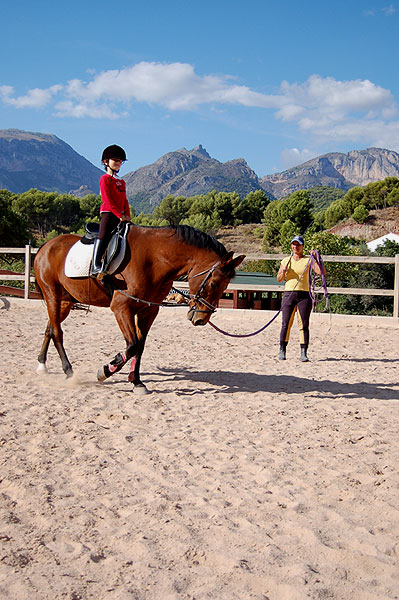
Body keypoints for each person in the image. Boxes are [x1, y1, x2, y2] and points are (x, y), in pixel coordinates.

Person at [276, 235, 326, 362]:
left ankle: (303, 352)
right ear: (291, 246)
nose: (295, 247)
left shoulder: (309, 260)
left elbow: (321, 272)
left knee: (303, 324)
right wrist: (284, 271)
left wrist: (317, 258)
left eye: (298, 244)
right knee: (286, 323)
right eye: (294, 244)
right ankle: (282, 349)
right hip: (289, 294)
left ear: (302, 246)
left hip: (304, 295)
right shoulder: (286, 260)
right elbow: (279, 279)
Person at [90, 144, 131, 277]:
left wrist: (127, 216)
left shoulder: (122, 182)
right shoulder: (104, 179)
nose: (118, 163)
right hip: (109, 213)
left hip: (121, 216)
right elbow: (107, 200)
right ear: (106, 162)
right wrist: (119, 214)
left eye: (120, 161)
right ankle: (96, 265)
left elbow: (124, 200)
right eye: (115, 160)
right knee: (103, 234)